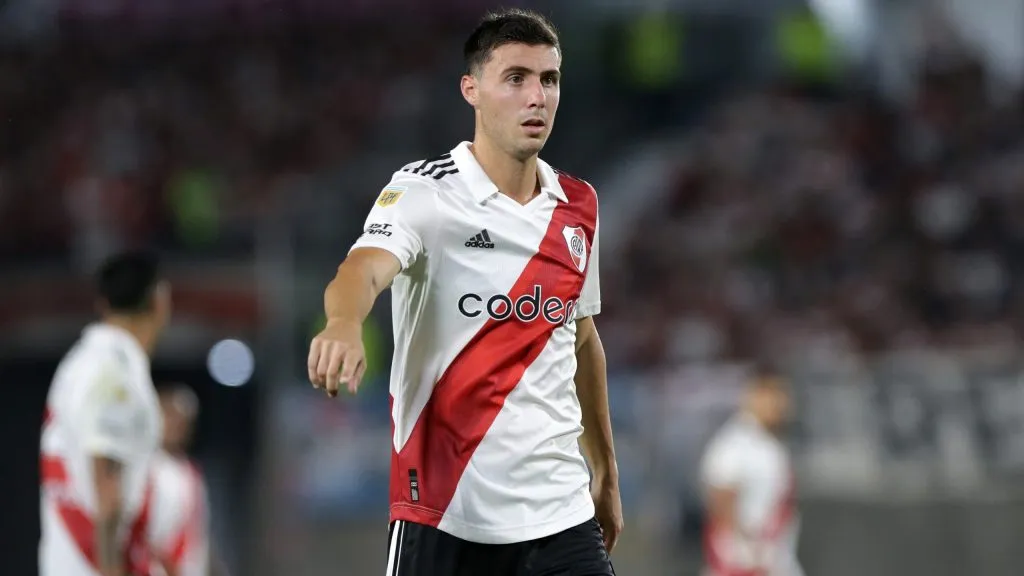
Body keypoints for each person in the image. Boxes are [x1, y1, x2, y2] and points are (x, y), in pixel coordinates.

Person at [306, 8, 622, 575]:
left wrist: (605, 473)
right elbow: (362, 270)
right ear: (470, 90)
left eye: (549, 79)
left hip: (560, 512)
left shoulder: (578, 207)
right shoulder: (425, 193)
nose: (537, 97)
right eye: (516, 78)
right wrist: (343, 323)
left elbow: (580, 338)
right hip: (446, 511)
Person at [39, 251, 172, 576]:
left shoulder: (77, 364)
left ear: (102, 304)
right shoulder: (114, 372)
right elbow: (107, 486)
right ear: (159, 302)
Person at [699, 367, 802, 576]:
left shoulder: (768, 443)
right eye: (773, 395)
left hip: (774, 556)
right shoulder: (734, 443)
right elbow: (721, 499)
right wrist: (749, 552)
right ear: (753, 396)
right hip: (746, 562)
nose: (781, 404)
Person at [148, 383, 225, 576]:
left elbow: (199, 533)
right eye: (170, 416)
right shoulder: (147, 469)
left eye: (183, 421)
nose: (176, 426)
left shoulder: (191, 473)